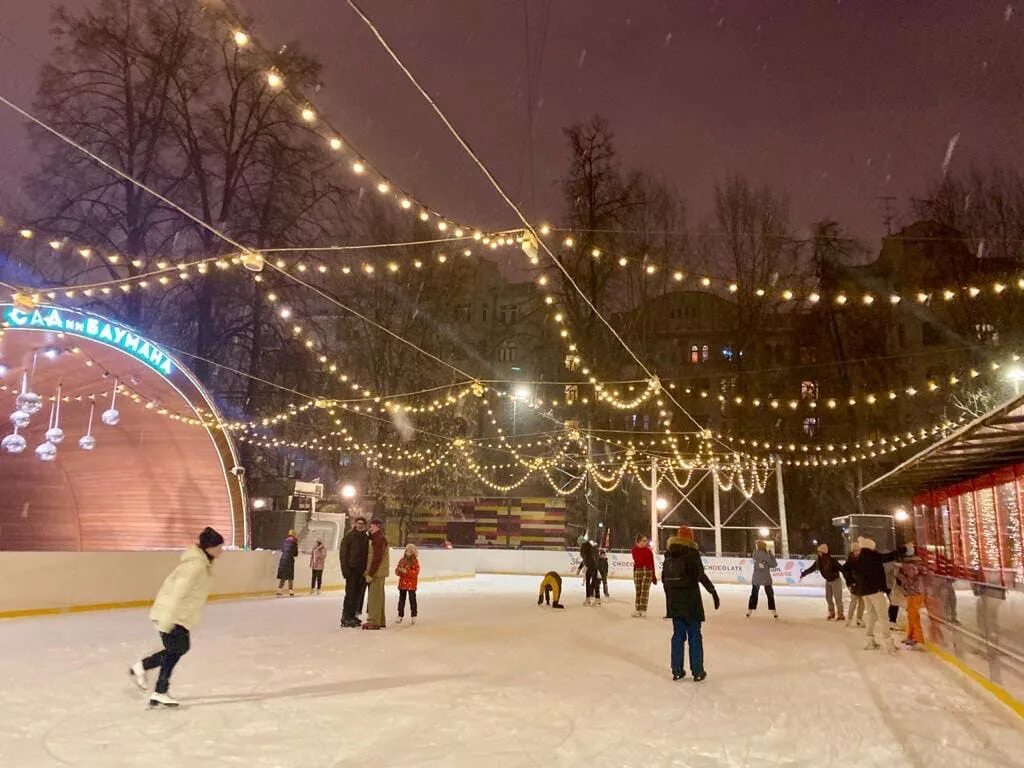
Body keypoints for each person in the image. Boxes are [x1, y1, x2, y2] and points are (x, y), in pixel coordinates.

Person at [129, 527, 224, 708]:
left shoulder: (202, 563)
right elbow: (176, 594)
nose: (221, 550)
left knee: (176, 650)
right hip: (172, 615)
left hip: (178, 615)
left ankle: (158, 688)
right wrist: (167, 621)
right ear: (209, 547)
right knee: (178, 649)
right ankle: (148, 674)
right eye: (219, 546)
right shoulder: (195, 566)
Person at [662, 526, 720, 682]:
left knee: (678, 636)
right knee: (694, 635)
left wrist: (670, 601)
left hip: (675, 603)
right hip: (691, 601)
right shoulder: (691, 553)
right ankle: (698, 671)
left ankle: (677, 670)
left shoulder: (669, 554)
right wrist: (712, 591)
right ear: (690, 537)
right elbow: (700, 575)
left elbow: (664, 580)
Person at [850, 536, 907, 652]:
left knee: (872, 615)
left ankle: (869, 640)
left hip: (865, 592)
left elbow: (854, 573)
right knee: (883, 616)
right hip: (875, 591)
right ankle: (888, 643)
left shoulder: (860, 559)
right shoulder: (871, 556)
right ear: (870, 547)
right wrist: (904, 548)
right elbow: (888, 556)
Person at [800, 543, 845, 621]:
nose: (818, 553)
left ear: (824, 553)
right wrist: (804, 573)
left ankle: (841, 614)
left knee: (838, 598)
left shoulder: (832, 561)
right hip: (828, 581)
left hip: (835, 580)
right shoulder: (819, 561)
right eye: (818, 552)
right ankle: (831, 613)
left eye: (820, 552)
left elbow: (842, 569)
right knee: (828, 598)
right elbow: (812, 568)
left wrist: (849, 576)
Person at [339, 516, 369, 628]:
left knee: (358, 595)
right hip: (351, 570)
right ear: (355, 524)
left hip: (362, 571)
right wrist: (345, 569)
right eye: (358, 523)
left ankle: (352, 615)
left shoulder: (366, 538)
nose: (360, 525)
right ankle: (345, 617)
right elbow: (343, 554)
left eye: (362, 523)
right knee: (350, 595)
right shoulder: (349, 536)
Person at [896, 549, 926, 649]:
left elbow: (908, 578)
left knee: (913, 616)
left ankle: (919, 639)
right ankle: (912, 636)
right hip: (913, 593)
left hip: (915, 593)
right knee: (910, 615)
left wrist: (900, 573)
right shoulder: (914, 564)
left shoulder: (910, 566)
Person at [363, 519, 390, 629]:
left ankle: (374, 621)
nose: (370, 529)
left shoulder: (378, 539)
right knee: (379, 597)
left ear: (378, 527)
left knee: (374, 597)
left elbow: (377, 558)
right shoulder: (378, 538)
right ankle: (380, 619)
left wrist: (370, 573)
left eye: (372, 527)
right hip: (379, 572)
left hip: (377, 573)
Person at [747, 541, 778, 618]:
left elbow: (760, 563)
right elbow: (774, 565)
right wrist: (772, 556)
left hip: (756, 577)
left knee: (754, 594)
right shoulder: (766, 555)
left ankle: (750, 610)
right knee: (770, 594)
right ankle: (773, 611)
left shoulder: (754, 553)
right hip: (766, 577)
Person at [631, 533, 658, 617]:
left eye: (646, 540)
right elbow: (639, 561)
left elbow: (652, 563)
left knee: (644, 591)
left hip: (648, 571)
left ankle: (643, 609)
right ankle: (637, 609)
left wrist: (653, 576)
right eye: (644, 540)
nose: (646, 542)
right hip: (638, 571)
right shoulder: (634, 550)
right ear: (639, 541)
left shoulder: (648, 551)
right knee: (638, 590)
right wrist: (645, 552)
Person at [841, 543, 866, 628]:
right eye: (855, 551)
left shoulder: (863, 560)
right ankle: (849, 618)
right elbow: (845, 573)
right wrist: (850, 583)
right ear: (852, 551)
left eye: (858, 550)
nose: (857, 552)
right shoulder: (849, 562)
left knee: (862, 603)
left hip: (862, 585)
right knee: (853, 602)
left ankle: (859, 619)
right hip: (854, 585)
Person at [395, 543, 420, 625]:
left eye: (410, 551)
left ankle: (414, 615)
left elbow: (415, 572)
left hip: (411, 585)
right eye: (407, 551)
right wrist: (399, 571)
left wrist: (407, 572)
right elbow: (398, 570)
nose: (408, 553)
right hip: (403, 584)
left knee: (412, 600)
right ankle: (400, 615)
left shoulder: (415, 561)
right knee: (401, 600)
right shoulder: (402, 560)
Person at [576, 536, 601, 606]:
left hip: (590, 566)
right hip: (594, 566)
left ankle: (588, 599)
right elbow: (587, 558)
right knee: (595, 582)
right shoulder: (590, 547)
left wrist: (580, 568)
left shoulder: (584, 548)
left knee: (588, 583)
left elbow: (585, 559)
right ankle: (597, 599)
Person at [276, 529, 299, 597]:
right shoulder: (294, 542)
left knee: (283, 576)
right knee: (290, 576)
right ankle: (291, 591)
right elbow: (295, 554)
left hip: (283, 559)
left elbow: (283, 550)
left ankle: (279, 590)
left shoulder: (284, 541)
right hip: (289, 560)